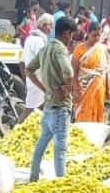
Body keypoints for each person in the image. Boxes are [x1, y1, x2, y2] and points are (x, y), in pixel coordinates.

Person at [27, 16, 76, 182]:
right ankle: (61, 183)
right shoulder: (60, 50)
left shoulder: (46, 49)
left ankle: (33, 177)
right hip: (60, 108)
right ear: (68, 33)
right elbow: (68, 72)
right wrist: (68, 88)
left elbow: (29, 70)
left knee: (41, 144)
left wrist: (44, 88)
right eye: (72, 35)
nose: (71, 39)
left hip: (48, 107)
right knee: (60, 148)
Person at [71, 21, 108, 124]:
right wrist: (75, 89)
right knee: (83, 113)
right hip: (83, 87)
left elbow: (105, 70)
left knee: (97, 113)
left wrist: (108, 89)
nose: (96, 38)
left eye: (98, 35)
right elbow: (74, 70)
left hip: (99, 88)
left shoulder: (102, 48)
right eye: (94, 35)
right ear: (88, 33)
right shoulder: (79, 49)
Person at [23, 14, 52, 115]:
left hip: (33, 79)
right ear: (44, 25)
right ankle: (16, 129)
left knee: (39, 111)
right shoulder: (39, 41)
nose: (51, 29)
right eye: (50, 26)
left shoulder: (30, 38)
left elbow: (21, 62)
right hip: (37, 80)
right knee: (30, 110)